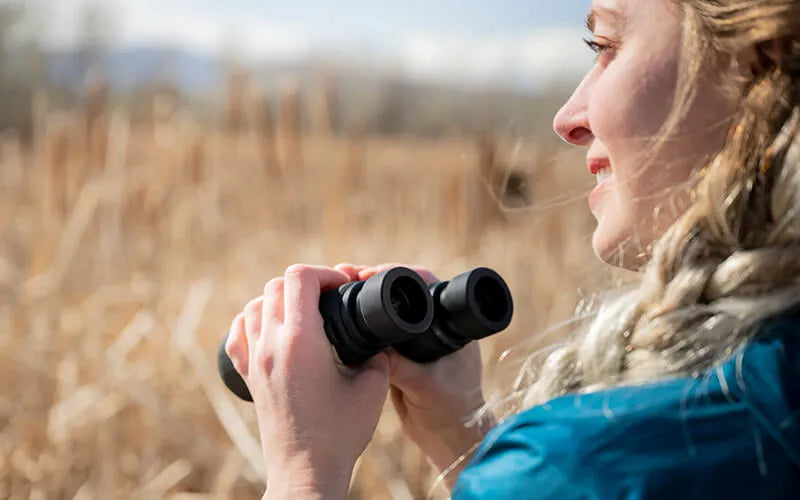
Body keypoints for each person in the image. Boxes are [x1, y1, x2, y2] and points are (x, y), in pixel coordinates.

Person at [224, 0, 800, 497]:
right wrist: (461, 433)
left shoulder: (590, 464)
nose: (567, 119)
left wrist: (303, 475)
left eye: (605, 46)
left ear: (761, 64)